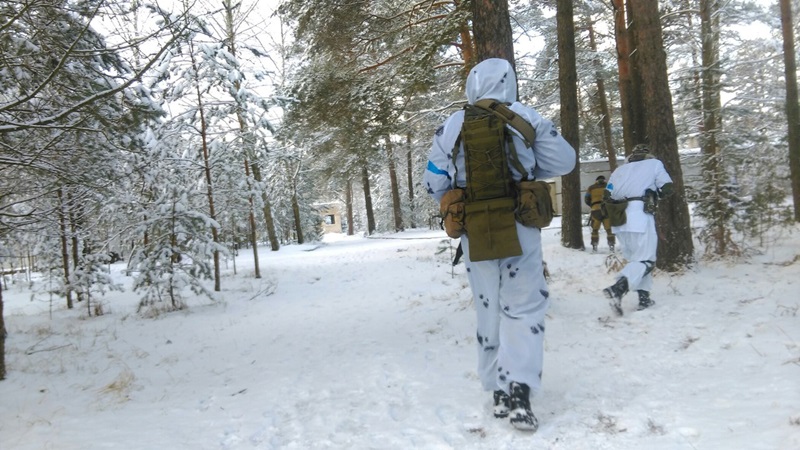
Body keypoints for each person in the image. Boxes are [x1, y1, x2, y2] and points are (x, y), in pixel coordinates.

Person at [423, 58, 575, 431]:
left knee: (487, 306)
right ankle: (520, 391)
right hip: (520, 225)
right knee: (524, 307)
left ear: (472, 85)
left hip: (475, 229)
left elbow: (433, 184)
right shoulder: (526, 116)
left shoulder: (452, 125)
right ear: (509, 83)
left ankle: (496, 391)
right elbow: (565, 161)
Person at [602, 143, 673, 315]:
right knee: (646, 261)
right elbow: (667, 188)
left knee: (636, 259)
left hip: (619, 218)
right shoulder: (654, 164)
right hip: (640, 216)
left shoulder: (619, 170)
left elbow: (607, 193)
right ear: (648, 155)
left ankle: (644, 298)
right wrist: (656, 194)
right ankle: (618, 289)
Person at [584, 175, 615, 252]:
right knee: (609, 229)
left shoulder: (591, 188)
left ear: (596, 180)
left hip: (595, 210)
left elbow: (586, 199)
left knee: (595, 229)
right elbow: (614, 196)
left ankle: (594, 246)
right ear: (604, 180)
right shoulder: (609, 186)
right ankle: (611, 246)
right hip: (606, 209)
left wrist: (593, 205)